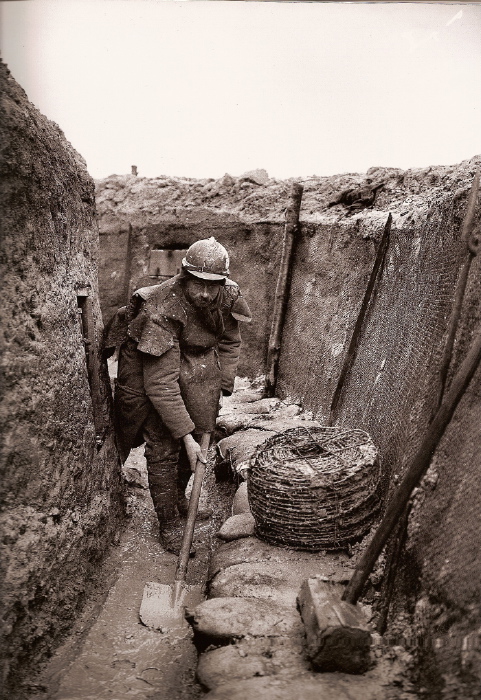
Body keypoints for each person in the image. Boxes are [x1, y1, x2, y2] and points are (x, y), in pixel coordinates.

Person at [109, 237, 251, 553]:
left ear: (222, 282)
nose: (204, 292)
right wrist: (186, 437)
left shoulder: (227, 296)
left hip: (195, 360)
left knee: (202, 432)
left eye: (212, 285)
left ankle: (179, 498)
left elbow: (230, 341)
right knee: (163, 443)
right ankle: (169, 523)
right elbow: (161, 384)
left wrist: (222, 381)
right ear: (185, 277)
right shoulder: (161, 307)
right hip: (148, 360)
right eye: (198, 283)